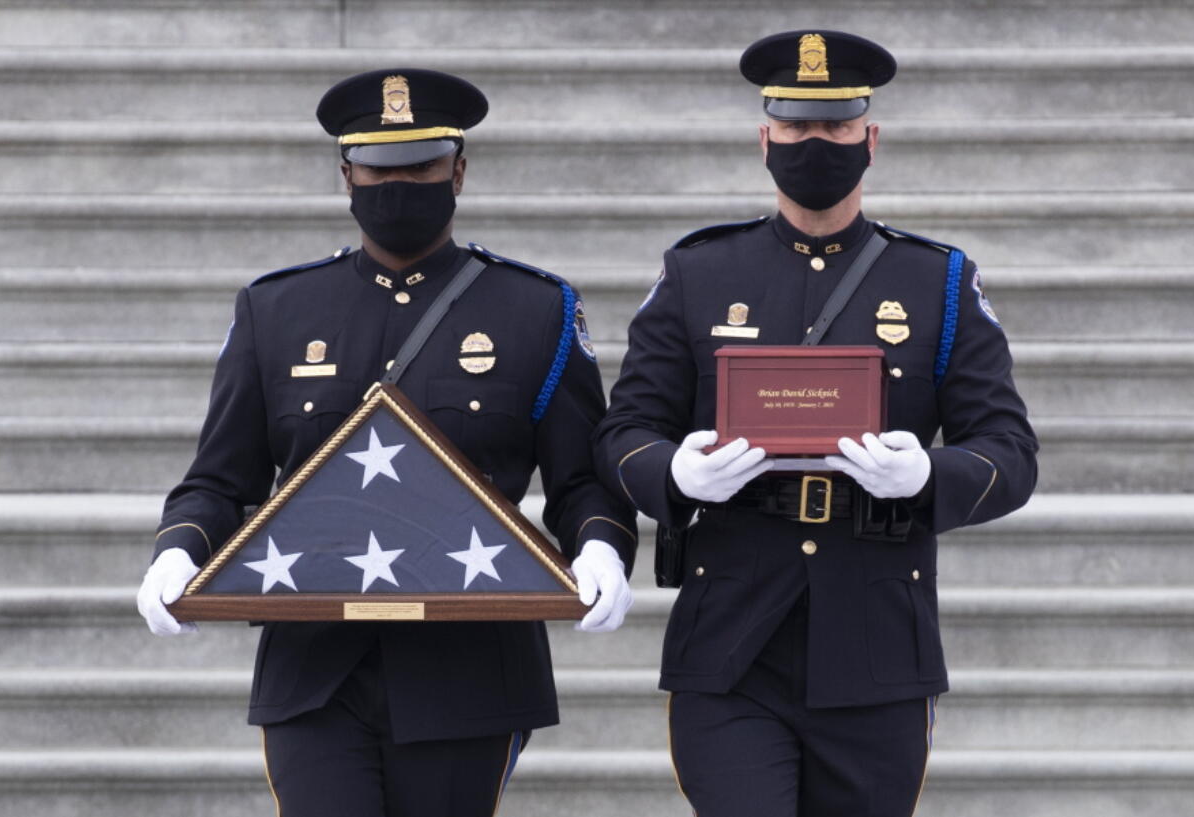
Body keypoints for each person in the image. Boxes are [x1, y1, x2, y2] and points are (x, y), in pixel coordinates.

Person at [135, 67, 637, 817]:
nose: (397, 183)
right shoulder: (277, 310)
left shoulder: (535, 309)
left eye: (421, 167)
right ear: (346, 175)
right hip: (313, 670)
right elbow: (218, 475)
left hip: (469, 667)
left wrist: (600, 545)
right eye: (377, 168)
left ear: (459, 171)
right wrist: (177, 548)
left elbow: (580, 479)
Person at [593, 30, 1038, 817]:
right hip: (731, 643)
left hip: (876, 643)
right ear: (765, 139)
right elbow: (625, 428)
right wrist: (674, 473)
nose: (815, 143)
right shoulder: (698, 273)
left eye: (836, 126)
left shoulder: (937, 282)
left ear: (872, 140)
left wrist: (929, 474)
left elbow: (1009, 450)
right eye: (797, 126)